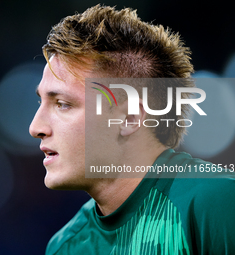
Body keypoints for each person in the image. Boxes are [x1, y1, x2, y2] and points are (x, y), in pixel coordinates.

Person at [29, 4, 235, 255]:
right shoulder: (64, 247)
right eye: (41, 102)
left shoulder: (219, 204)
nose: (35, 128)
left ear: (129, 118)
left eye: (62, 104)